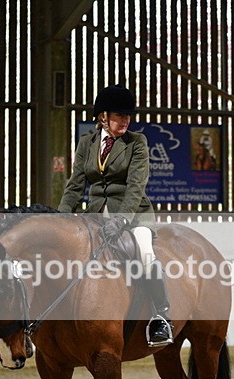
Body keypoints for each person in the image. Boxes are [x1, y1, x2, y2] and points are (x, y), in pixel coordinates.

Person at [57, 84, 173, 347]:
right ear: (103, 117)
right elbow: (76, 184)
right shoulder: (87, 143)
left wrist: (122, 219)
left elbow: (136, 186)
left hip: (132, 215)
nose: (125, 120)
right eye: (119, 115)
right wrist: (62, 217)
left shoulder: (136, 143)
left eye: (127, 116)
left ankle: (161, 317)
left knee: (144, 254)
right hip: (96, 215)